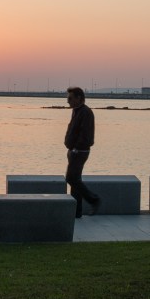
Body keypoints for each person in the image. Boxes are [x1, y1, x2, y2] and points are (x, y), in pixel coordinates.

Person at [64, 86, 102, 217]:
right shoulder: (76, 111)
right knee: (75, 180)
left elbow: (85, 135)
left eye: (70, 98)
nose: (68, 101)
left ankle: (93, 200)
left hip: (80, 151)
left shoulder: (86, 112)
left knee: (71, 178)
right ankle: (77, 212)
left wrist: (75, 149)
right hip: (75, 151)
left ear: (79, 98)